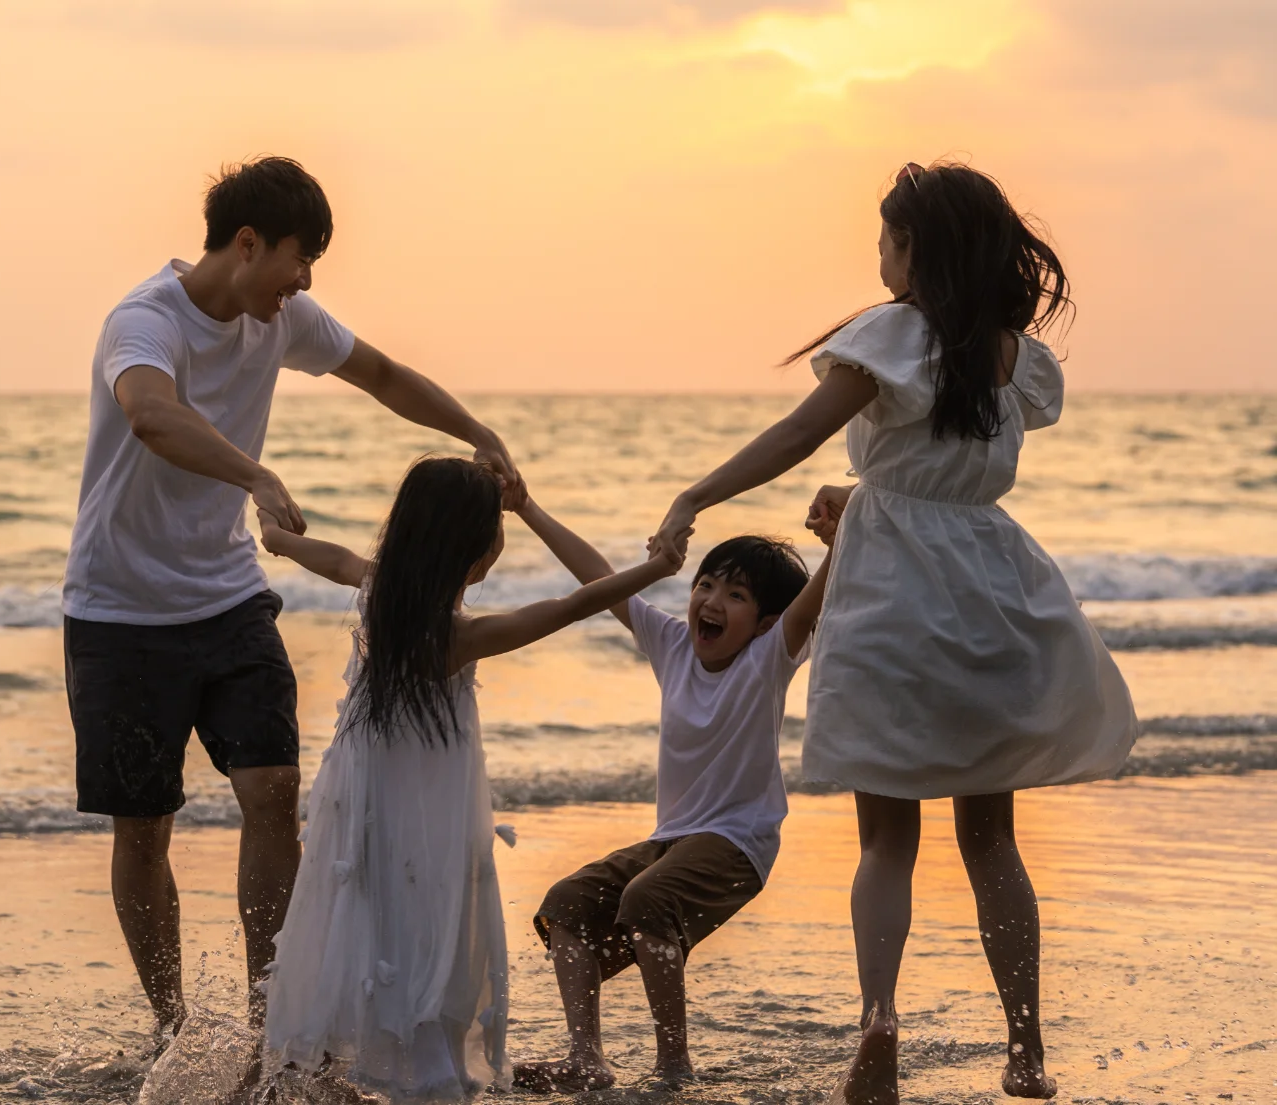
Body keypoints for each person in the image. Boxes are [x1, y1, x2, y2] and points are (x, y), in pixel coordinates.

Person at [650, 161, 1138, 1104]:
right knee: (991, 838)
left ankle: (880, 1019)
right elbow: (941, 470)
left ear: (917, 249)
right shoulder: (1008, 353)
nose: (877, 253)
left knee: (887, 840)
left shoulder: (888, 335)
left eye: (885, 237)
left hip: (892, 601)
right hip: (994, 590)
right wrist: (867, 494)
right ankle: (1026, 1048)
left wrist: (698, 493)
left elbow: (798, 431)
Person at [62, 157, 525, 1042]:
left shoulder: (284, 321)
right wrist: (255, 473)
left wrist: (475, 430)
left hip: (231, 594)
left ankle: (270, 1024)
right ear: (247, 244)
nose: (305, 281)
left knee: (273, 792)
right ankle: (171, 1027)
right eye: (298, 259)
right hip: (120, 611)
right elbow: (150, 416)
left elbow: (384, 373)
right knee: (145, 829)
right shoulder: (142, 323)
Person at [254, 457, 690, 1102]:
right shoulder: (459, 635)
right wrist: (659, 568)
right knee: (424, 919)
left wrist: (276, 535)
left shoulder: (380, 595)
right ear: (479, 548)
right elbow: (575, 604)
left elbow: (329, 556)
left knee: (358, 908)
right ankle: (417, 1064)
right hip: (425, 816)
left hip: (356, 801)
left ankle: (324, 1054)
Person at [512, 499, 831, 1092]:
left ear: (765, 622)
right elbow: (598, 577)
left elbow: (810, 604)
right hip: (672, 838)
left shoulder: (769, 657)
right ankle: (586, 1058)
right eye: (706, 584)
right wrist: (526, 505)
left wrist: (844, 535)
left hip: (740, 842)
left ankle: (673, 1066)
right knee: (568, 902)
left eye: (736, 596)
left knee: (647, 899)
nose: (710, 602)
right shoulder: (674, 644)